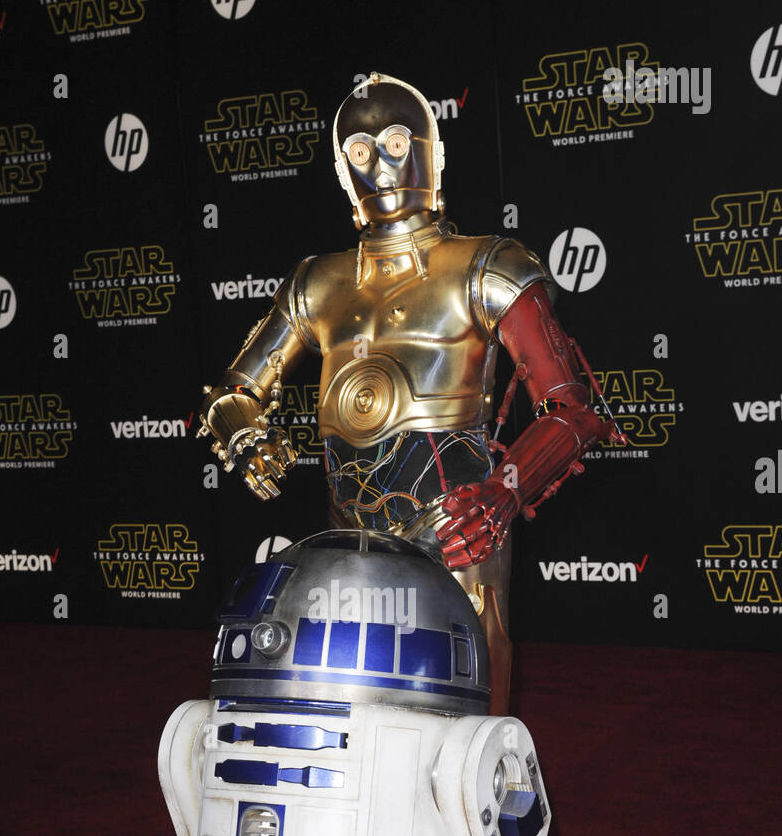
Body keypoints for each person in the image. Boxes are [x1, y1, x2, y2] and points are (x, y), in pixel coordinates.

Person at [198, 71, 617, 711]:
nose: (381, 166)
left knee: (471, 723)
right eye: (361, 153)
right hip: (347, 537)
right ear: (343, 171)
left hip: (459, 529)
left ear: (429, 150)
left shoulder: (487, 265)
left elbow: (575, 408)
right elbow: (234, 388)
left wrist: (503, 494)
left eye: (395, 142)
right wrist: (244, 430)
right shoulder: (317, 281)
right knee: (351, 705)